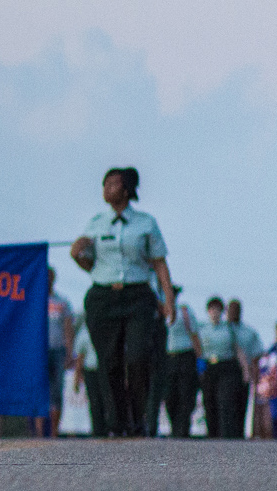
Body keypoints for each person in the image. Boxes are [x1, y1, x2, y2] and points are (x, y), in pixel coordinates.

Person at [70, 166, 174, 438]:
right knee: (109, 361)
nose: (106, 189)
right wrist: (76, 255)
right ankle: (117, 422)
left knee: (138, 356)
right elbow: (90, 263)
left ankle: (137, 417)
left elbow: (160, 264)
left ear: (126, 190)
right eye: (104, 184)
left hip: (138, 295)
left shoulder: (146, 223)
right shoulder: (95, 223)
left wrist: (168, 300)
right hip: (103, 296)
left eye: (113, 184)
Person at [196, 297, 245, 438]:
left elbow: (238, 349)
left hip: (226, 366)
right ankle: (212, 434)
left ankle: (226, 435)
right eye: (212, 310)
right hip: (209, 366)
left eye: (218, 310)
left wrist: (245, 370)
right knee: (209, 400)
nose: (215, 313)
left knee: (225, 400)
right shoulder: (202, 329)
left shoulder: (229, 328)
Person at [161, 285, 202, 438]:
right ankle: (174, 426)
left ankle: (183, 428)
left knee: (186, 393)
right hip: (167, 357)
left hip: (185, 356)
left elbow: (194, 335)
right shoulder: (160, 311)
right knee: (169, 395)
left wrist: (200, 359)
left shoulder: (184, 311)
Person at [38, 268, 74, 437]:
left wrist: (69, 352)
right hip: (38, 352)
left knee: (56, 390)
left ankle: (54, 432)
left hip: (58, 350)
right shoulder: (34, 302)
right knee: (39, 390)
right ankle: (39, 433)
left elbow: (68, 328)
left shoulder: (62, 302)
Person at [229, 299, 263, 438]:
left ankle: (239, 435)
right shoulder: (223, 330)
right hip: (225, 371)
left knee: (242, 404)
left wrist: (255, 378)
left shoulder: (248, 332)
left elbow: (256, 356)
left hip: (244, 373)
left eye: (236, 309)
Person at [71, 318, 108, 436]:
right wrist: (77, 377)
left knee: (107, 400)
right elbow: (80, 357)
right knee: (95, 402)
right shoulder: (84, 332)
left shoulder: (106, 328)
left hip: (106, 369)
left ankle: (110, 428)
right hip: (91, 370)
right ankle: (98, 430)